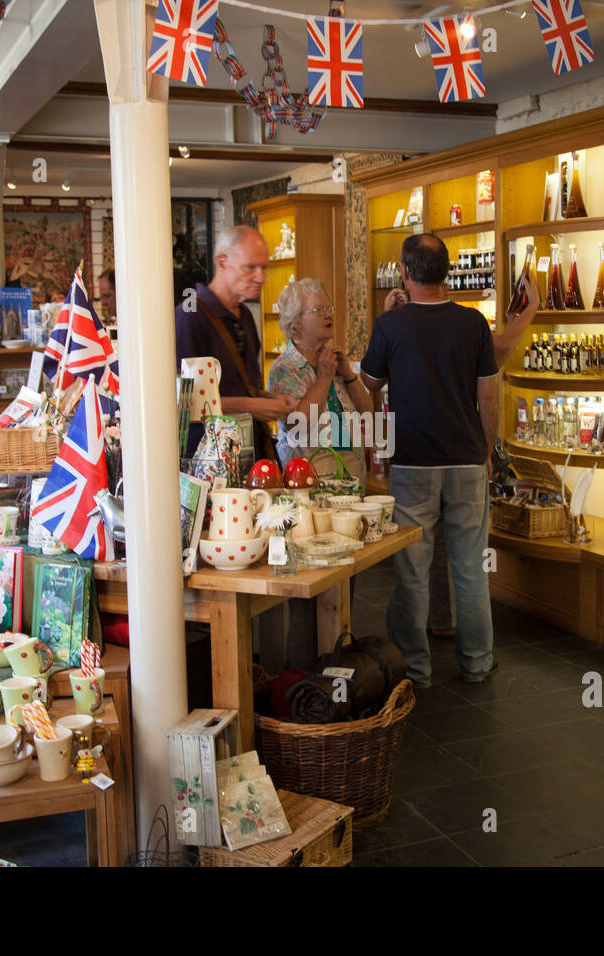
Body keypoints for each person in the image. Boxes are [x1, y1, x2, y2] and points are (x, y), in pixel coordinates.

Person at [361, 234, 535, 688]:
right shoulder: (473, 323)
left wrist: (387, 319)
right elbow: (489, 398)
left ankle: (415, 671)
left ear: (404, 272)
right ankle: (477, 662)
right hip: (465, 461)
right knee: (472, 568)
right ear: (448, 271)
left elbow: (368, 383)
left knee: (412, 570)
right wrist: (484, 451)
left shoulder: (391, 326)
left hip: (412, 463)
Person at [175, 225, 295, 459]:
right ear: (222, 262)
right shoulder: (189, 316)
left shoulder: (245, 315)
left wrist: (269, 399)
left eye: (264, 268)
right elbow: (184, 401)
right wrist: (251, 406)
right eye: (250, 267)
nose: (261, 278)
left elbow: (235, 386)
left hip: (247, 453)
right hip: (207, 459)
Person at [267, 278, 372, 485]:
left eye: (328, 308)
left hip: (352, 478)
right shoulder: (284, 369)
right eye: (318, 309)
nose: (328, 314)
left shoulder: (332, 360)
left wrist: (349, 375)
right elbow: (298, 424)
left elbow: (368, 413)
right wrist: (324, 378)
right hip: (308, 484)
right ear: (296, 322)